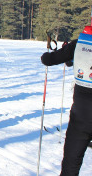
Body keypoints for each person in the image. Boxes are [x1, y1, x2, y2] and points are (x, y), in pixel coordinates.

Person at [41, 25, 92, 175]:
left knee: (71, 164)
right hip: (81, 115)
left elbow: (48, 59)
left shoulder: (79, 44)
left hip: (81, 117)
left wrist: (47, 55)